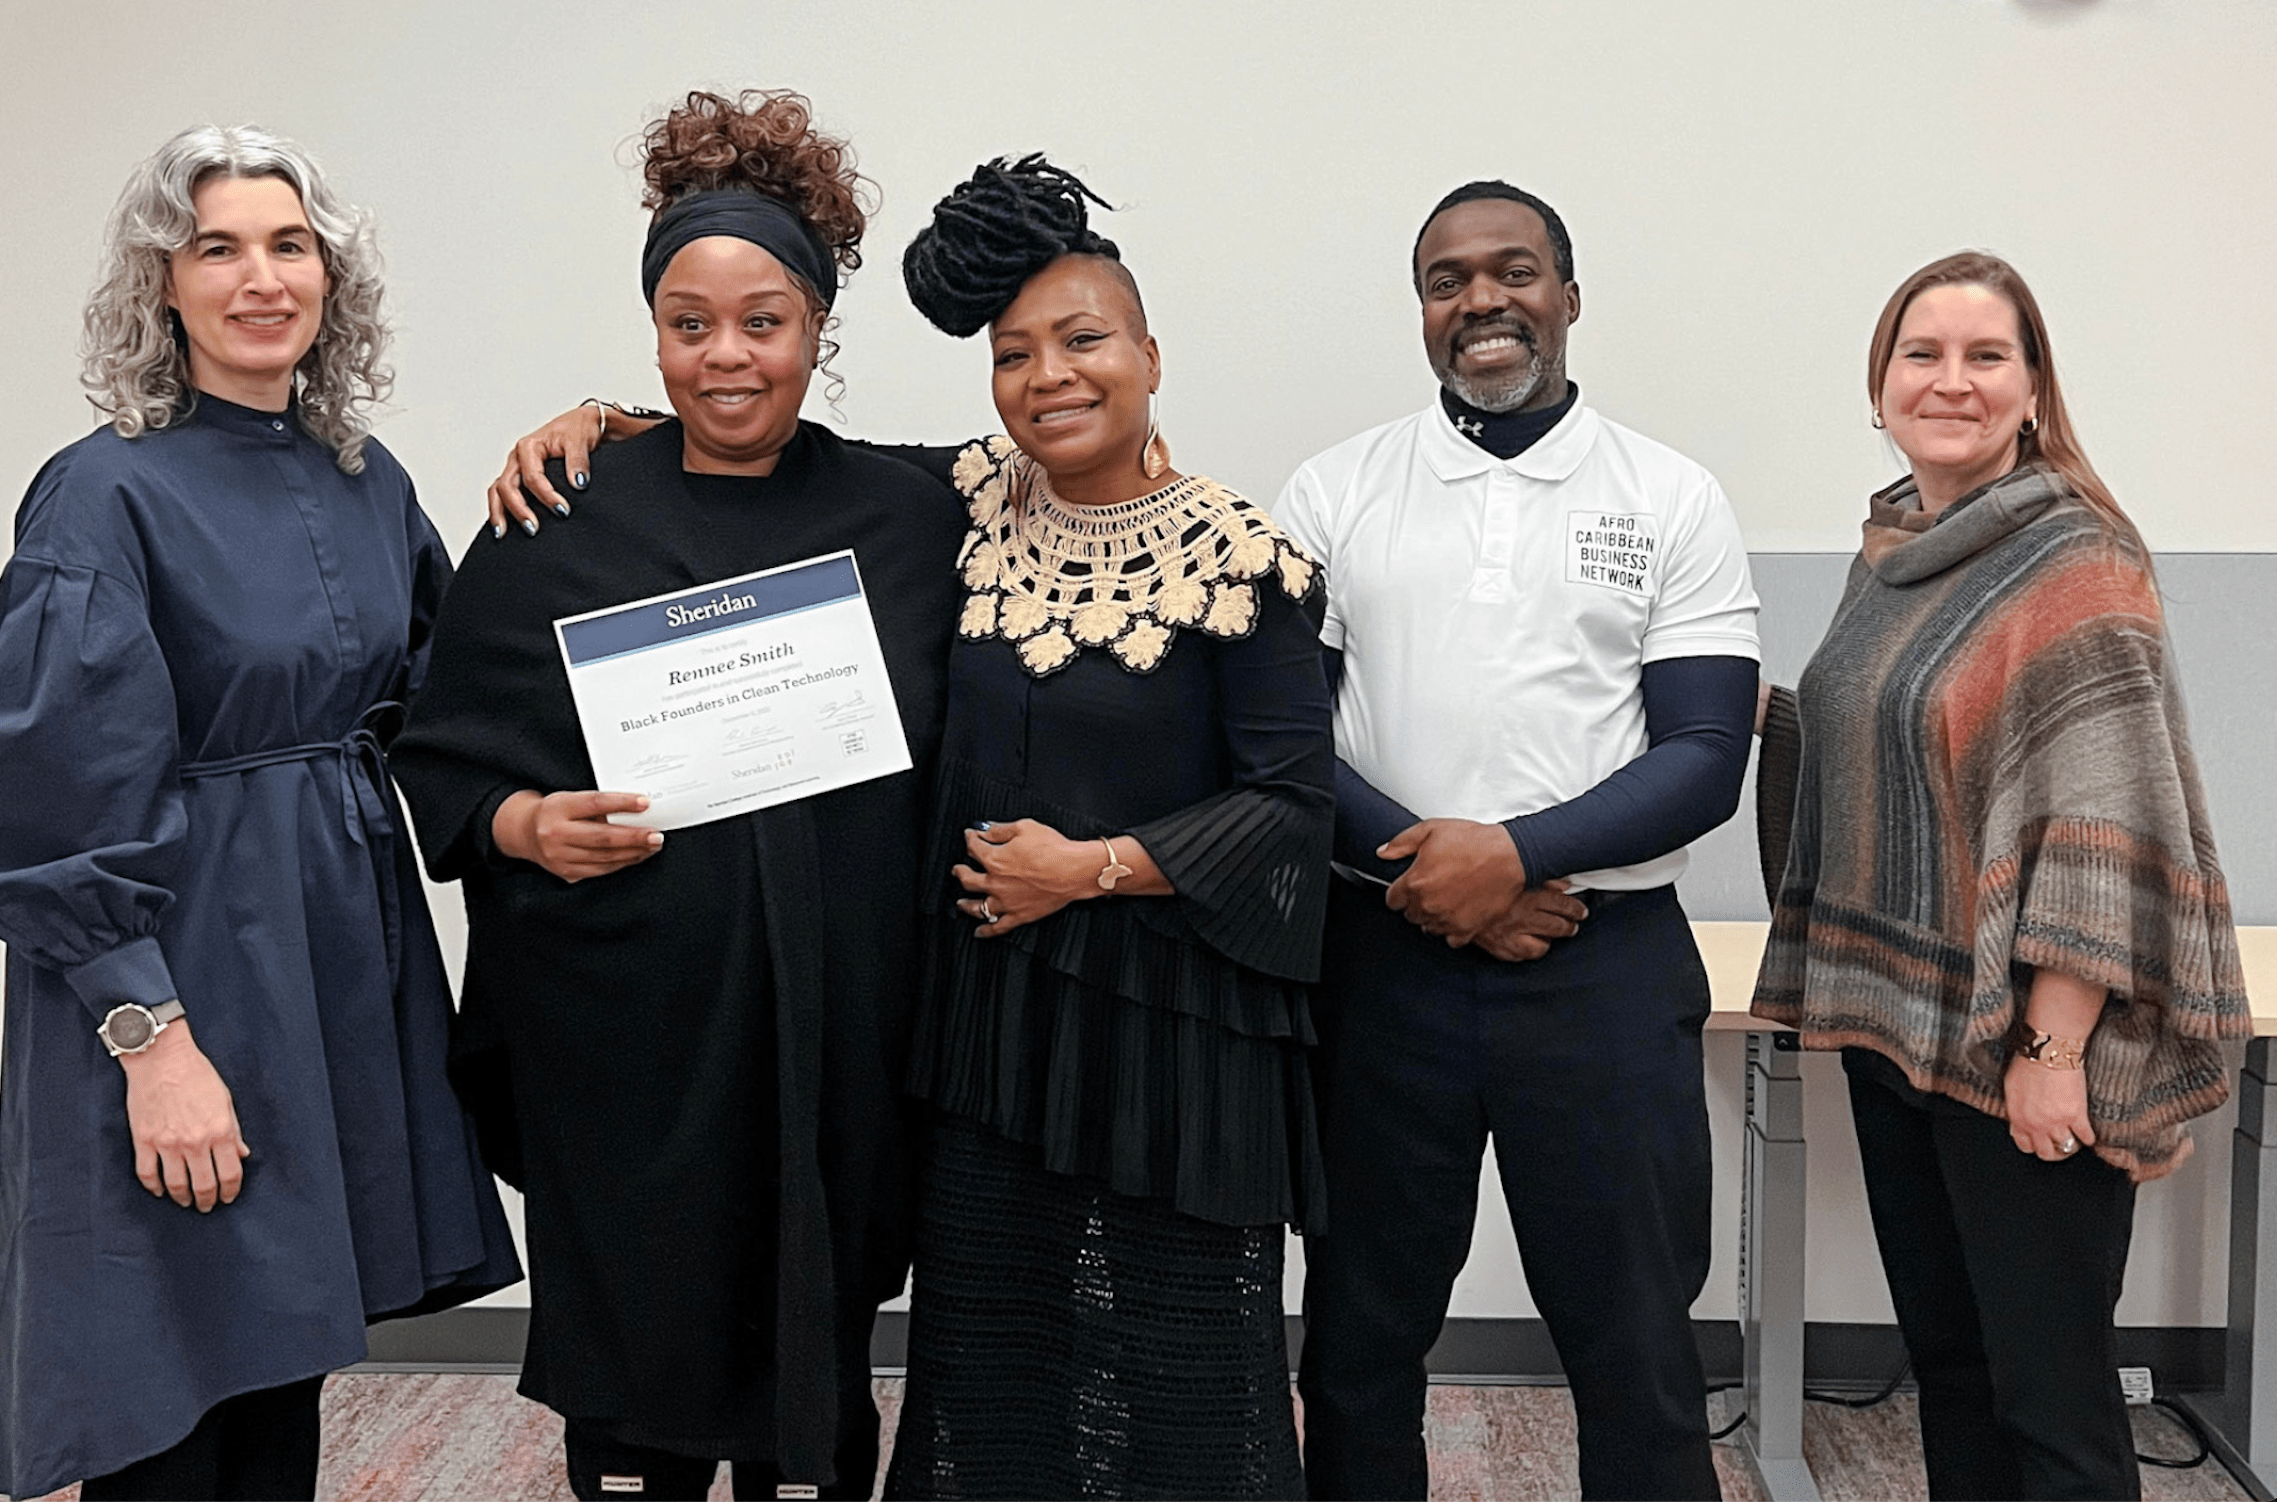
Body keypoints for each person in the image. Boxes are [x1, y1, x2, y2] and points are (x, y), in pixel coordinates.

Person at [388, 90, 967, 1502]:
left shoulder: (914, 511)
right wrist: (523, 824)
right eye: (688, 323)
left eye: (763, 320)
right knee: (636, 1343)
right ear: (651, 330)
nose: (726, 355)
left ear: (819, 327)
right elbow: (445, 741)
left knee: (812, 1322)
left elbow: (1082, 460)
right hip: (621, 1026)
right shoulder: (557, 515)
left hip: (834, 1023)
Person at [0, 124, 521, 1502]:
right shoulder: (105, 494)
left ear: (331, 278)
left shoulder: (362, 478)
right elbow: (34, 801)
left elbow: (451, 700)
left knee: (279, 1350)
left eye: (289, 244)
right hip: (178, 970)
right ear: (164, 285)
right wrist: (150, 1037)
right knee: (161, 1368)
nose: (261, 277)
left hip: (324, 965)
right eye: (219, 247)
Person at [1270, 180, 1761, 1501]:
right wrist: (1446, 880)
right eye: (1446, 278)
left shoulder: (1670, 494)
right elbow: (1285, 743)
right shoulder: (1334, 490)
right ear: (1422, 310)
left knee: (1639, 1348)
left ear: (1571, 295)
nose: (1481, 298)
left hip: (1602, 973)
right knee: (1363, 1339)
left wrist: (1515, 857)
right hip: (1385, 969)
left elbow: (1707, 756)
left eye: (1515, 270)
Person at [865, 157, 1333, 1500]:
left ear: (1149, 357)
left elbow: (1292, 807)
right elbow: (798, 466)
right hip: (997, 1021)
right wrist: (607, 418)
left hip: (1174, 1027)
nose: (1049, 376)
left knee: (1188, 1362)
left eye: (1083, 341)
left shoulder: (1239, 553)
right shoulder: (970, 505)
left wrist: (1096, 870)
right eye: (1016, 355)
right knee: (992, 1350)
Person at [1750, 252, 2249, 1501]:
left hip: (2022, 1041)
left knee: (2052, 1400)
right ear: (1879, 387)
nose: (1951, 381)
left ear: (2032, 391)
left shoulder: (2075, 559)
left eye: (1986, 357)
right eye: (1921, 354)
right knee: (1955, 1371)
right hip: (1899, 1022)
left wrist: (2055, 1048)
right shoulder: (1892, 554)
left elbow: (2100, 815)